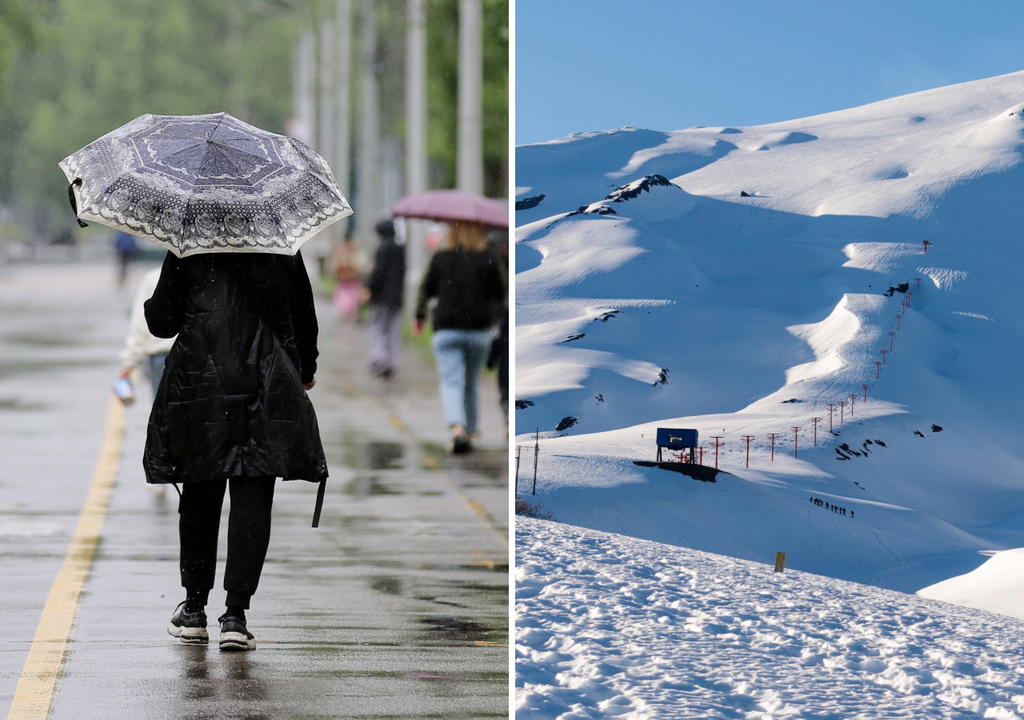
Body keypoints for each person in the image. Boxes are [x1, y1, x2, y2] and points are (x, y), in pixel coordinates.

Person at [144, 250, 327, 651]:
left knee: (200, 494)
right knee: (253, 495)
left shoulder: (189, 245)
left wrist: (153, 304)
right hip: (267, 383)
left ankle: (194, 609)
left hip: (201, 384)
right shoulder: (279, 245)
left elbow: (162, 323)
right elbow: (303, 313)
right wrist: (306, 369)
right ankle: (235, 616)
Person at [414, 221, 506, 453]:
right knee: (472, 383)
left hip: (447, 329)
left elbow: (426, 288)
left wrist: (419, 315)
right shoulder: (488, 257)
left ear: (452, 232)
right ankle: (471, 431)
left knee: (452, 381)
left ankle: (457, 429)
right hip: (479, 330)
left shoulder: (441, 257)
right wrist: (490, 314)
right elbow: (500, 291)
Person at [365, 219, 406, 379]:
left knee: (378, 328)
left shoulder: (382, 247)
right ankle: (392, 363)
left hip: (381, 296)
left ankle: (379, 360)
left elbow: (379, 272)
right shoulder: (400, 249)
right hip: (396, 297)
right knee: (393, 331)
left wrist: (370, 288)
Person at [330, 234, 368, 322]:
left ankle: (350, 315)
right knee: (345, 301)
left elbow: (361, 266)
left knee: (352, 300)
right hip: (343, 282)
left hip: (352, 281)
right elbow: (334, 267)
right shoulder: (340, 252)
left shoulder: (356, 253)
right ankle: (347, 315)